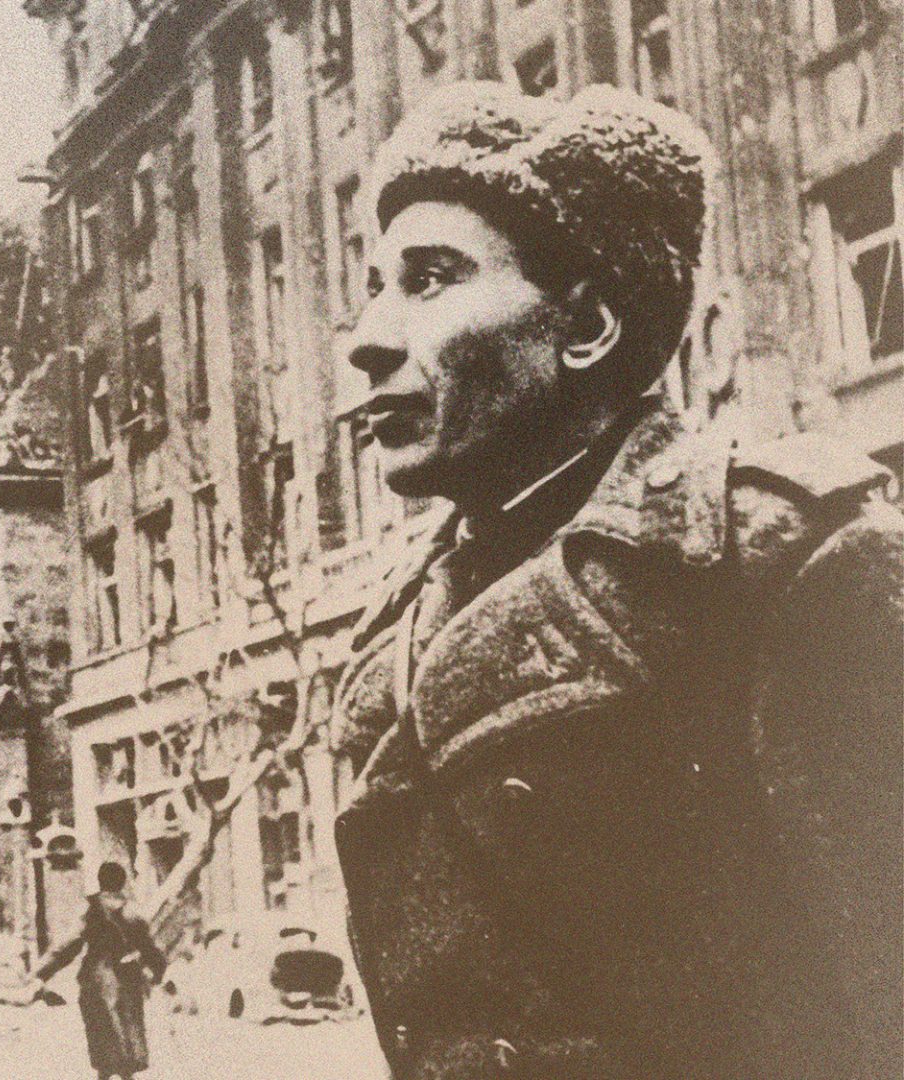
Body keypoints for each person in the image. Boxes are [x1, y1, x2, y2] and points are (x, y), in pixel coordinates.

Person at [331, 81, 904, 1079]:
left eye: (430, 278)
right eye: (376, 284)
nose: (367, 340)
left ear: (587, 327)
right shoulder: (393, 640)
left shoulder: (778, 564)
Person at [26, 861, 166, 1080]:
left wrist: (39, 973)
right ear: (122, 882)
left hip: (97, 982)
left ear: (100, 881)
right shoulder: (134, 912)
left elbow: (66, 947)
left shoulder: (90, 910)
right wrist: (158, 971)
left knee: (104, 1048)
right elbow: (150, 949)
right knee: (127, 1044)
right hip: (128, 980)